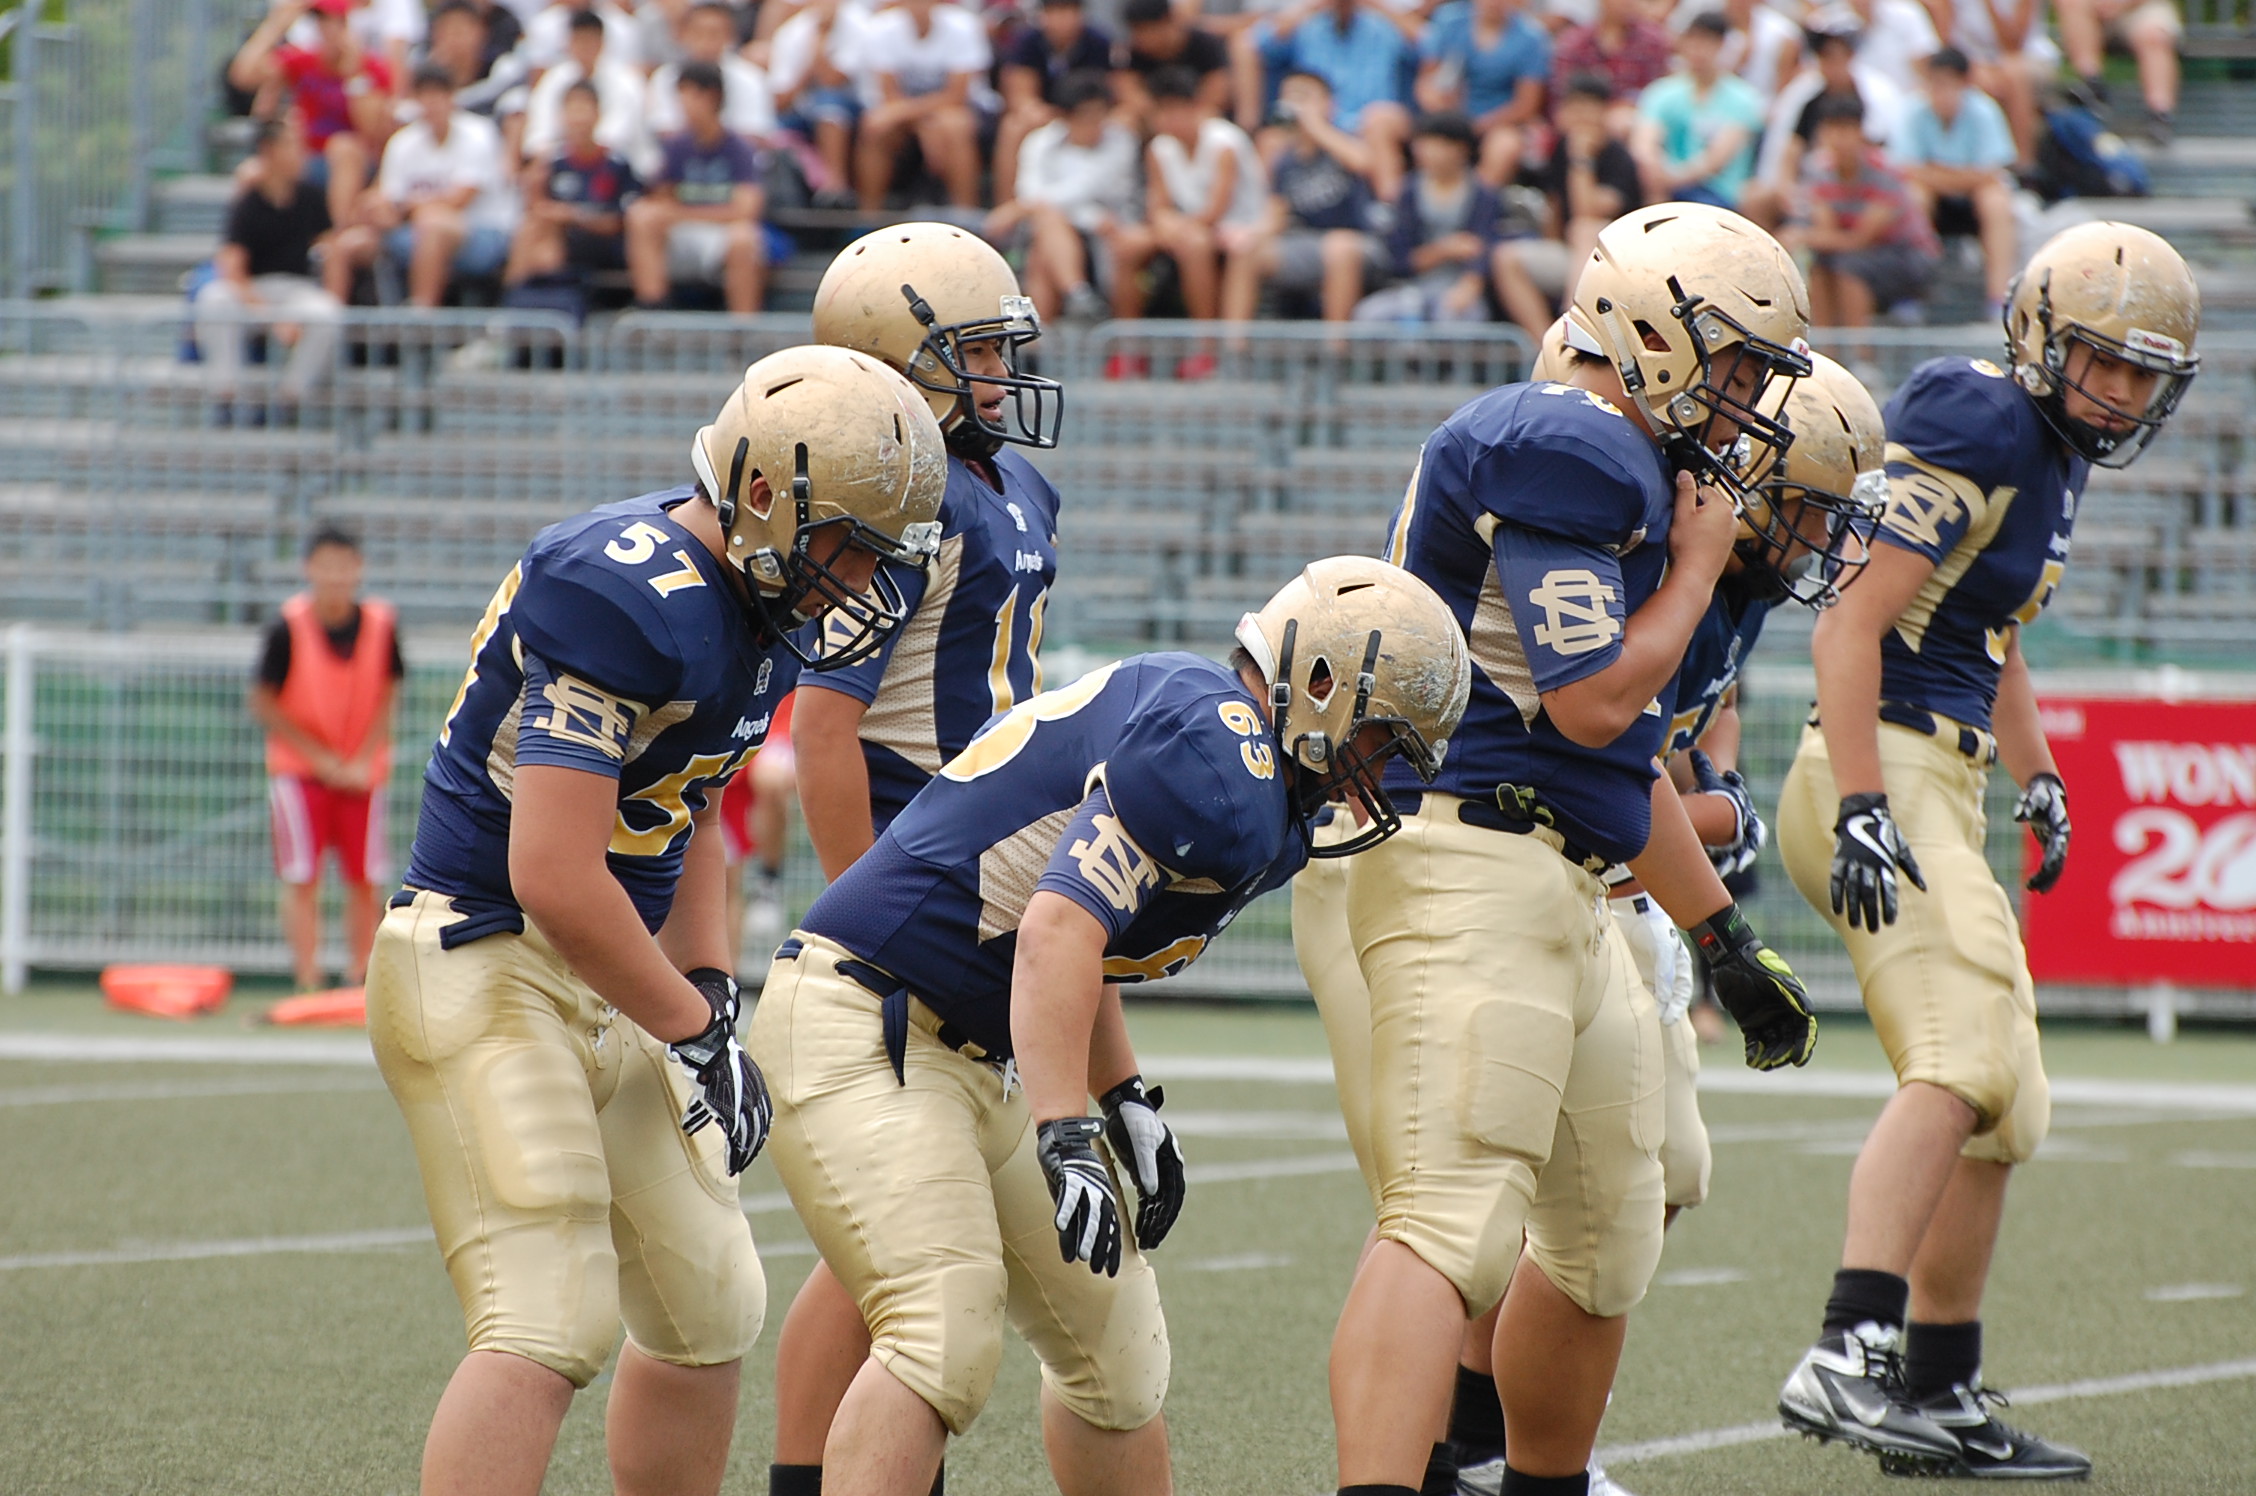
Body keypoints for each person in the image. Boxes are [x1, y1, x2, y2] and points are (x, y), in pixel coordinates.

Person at [749, 555, 1471, 1496]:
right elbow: (1057, 928)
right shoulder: (1220, 752)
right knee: (940, 1332)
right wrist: (1066, 1127)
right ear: (1321, 684)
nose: (1375, 776)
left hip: (965, 1046)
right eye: (1380, 741)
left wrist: (1123, 1092)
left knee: (1117, 1358)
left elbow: (1088, 930)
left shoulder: (1246, 770)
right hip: (868, 1014)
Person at [366, 344, 949, 1496]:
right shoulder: (626, 588)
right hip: (486, 952)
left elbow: (681, 812)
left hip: (614, 970)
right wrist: (691, 1024)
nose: (862, 576)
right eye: (850, 541)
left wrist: (713, 987)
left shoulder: (753, 604)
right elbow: (552, 871)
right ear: (769, 495)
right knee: (547, 1315)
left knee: (708, 1299)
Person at [1323, 202, 1819, 1496]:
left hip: (1557, 877)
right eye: (1737, 363)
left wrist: (1722, 934)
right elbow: (1596, 701)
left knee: (1605, 1233)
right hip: (1459, 855)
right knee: (1448, 1219)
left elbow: (1611, 769)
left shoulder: (1623, 464)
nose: (1751, 397)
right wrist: (1701, 567)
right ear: (1652, 332)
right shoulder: (1575, 444)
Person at [1775, 220, 2201, 1483]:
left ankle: (1943, 1386)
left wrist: (2043, 773)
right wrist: (1862, 799)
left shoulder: (2051, 453)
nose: (2120, 391)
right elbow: (1851, 626)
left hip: (1940, 771)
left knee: (2009, 1104)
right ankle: (1848, 1347)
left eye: (2142, 372)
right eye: (2102, 361)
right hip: (1880, 764)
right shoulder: (1979, 418)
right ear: (2037, 335)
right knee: (1961, 1060)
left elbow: (1992, 634)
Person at [763, 219, 1074, 1496]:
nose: (1003, 374)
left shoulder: (1009, 483)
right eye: (979, 351)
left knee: (873, 1248)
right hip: (913, 862)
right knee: (898, 1254)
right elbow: (825, 731)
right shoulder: (896, 489)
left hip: (977, 868)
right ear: (903, 361)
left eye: (1006, 348)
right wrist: (873, 910)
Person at [252, 525, 401, 994]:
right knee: (302, 877)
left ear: (359, 569)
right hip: (300, 774)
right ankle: (308, 977)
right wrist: (319, 759)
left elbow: (390, 690)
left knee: (366, 877)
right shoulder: (288, 625)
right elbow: (263, 701)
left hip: (362, 774)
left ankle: (360, 976)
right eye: (326, 565)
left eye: (345, 565)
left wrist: (362, 757)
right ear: (309, 569)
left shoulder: (380, 625)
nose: (336, 576)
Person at [195, 120, 345, 424]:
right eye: (291, 145)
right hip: (254, 291)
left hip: (296, 289)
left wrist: (334, 293)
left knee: (327, 313)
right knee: (214, 299)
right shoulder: (247, 203)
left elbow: (332, 251)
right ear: (269, 150)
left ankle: (291, 399)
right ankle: (228, 394)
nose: (299, 154)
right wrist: (269, 316)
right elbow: (233, 267)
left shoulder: (311, 196)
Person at [1220, 70, 1387, 328]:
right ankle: (1233, 353)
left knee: (1339, 247)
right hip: (1306, 244)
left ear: (1329, 103)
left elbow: (1364, 163)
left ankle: (1336, 355)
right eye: (1290, 97)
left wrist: (1315, 124)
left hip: (1360, 243)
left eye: (1304, 96)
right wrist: (1248, 235)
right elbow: (1275, 213)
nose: (1296, 105)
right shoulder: (1285, 159)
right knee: (1246, 252)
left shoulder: (1346, 140)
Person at [1109, 66, 1267, 339]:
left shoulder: (1224, 143)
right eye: (1162, 111)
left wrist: (1175, 227)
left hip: (1237, 226)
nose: (1168, 119)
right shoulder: (1159, 148)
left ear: (1196, 107)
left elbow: (1216, 211)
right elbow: (1158, 205)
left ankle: (1205, 344)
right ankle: (1129, 345)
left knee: (1195, 244)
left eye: (1176, 110)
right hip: (1188, 225)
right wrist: (1165, 224)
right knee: (1128, 245)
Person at [343, 65, 515, 307]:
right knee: (347, 245)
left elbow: (459, 200)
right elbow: (388, 198)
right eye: (425, 95)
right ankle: (338, 326)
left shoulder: (479, 133)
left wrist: (404, 210)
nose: (432, 103)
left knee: (433, 225)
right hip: (413, 228)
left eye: (438, 95)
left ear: (451, 97)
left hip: (481, 231)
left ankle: (421, 316)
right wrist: (376, 210)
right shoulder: (403, 141)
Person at [1490, 72, 1641, 342]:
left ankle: (1575, 323)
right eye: (1575, 106)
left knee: (1585, 228)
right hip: (1571, 258)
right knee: (1507, 258)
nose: (1581, 116)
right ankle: (1548, 347)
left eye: (1589, 107)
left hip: (1615, 262)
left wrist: (1582, 160)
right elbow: (1555, 207)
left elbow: (1589, 211)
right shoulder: (1561, 149)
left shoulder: (1618, 156)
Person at [984, 71, 1142, 322]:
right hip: (1076, 225)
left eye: (1100, 114)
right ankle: (1077, 295)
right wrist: (1089, 217)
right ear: (1065, 117)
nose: (1094, 123)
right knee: (1045, 234)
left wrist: (1018, 209)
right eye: (1085, 116)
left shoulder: (1121, 141)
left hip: (1113, 230)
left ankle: (1043, 338)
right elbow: (1031, 194)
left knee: (1045, 237)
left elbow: (1085, 187)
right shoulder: (1040, 141)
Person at [229, 0, 397, 234]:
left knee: (343, 147)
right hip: (307, 159)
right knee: (250, 173)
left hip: (356, 164)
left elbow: (372, 131)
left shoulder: (372, 68)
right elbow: (243, 76)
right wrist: (277, 25)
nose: (328, 29)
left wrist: (353, 75)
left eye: (336, 22)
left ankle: (336, 236)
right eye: (322, 21)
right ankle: (244, 249)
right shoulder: (304, 61)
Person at [626, 61, 767, 311]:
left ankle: (743, 328)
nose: (682, 103)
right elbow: (662, 197)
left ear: (711, 97)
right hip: (683, 234)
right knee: (641, 215)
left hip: (720, 235)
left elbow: (745, 210)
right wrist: (673, 213)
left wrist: (683, 213)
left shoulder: (738, 148)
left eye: (689, 94)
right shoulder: (677, 146)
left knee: (745, 238)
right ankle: (654, 309)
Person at [1243, 0, 1419, 200]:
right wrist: (1310, 6)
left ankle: (1392, 210)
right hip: (1312, 115)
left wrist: (1379, 6)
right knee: (1271, 139)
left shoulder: (1382, 25)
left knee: (1378, 120)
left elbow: (1430, 44)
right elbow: (1259, 42)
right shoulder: (1308, 25)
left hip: (1366, 123)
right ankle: (1264, 216)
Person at [1894, 46, 2019, 318]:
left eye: (1950, 85)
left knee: (1997, 200)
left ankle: (1998, 298)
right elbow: (1906, 170)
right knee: (1914, 195)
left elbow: (1991, 173)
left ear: (1965, 84)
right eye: (1936, 84)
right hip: (1934, 202)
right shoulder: (1913, 110)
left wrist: (1938, 172)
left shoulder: (1985, 110)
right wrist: (1959, 176)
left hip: (1973, 203)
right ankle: (1911, 292)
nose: (1943, 93)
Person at [1794, 94, 1939, 327]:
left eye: (1846, 129)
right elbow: (1826, 230)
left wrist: (1802, 236)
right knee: (1820, 265)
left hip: (1905, 255)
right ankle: (1826, 351)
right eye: (1832, 129)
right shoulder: (1818, 171)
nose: (1839, 138)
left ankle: (1860, 355)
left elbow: (1860, 239)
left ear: (1860, 131)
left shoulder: (1884, 172)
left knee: (1849, 267)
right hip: (1855, 253)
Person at [1355, 111, 1499, 324]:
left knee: (1457, 318)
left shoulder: (1483, 194)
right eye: (1422, 144)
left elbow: (1483, 250)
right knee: (1369, 315)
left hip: (1458, 286)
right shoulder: (1408, 191)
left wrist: (1469, 286)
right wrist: (1445, 249)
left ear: (1461, 149)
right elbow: (1400, 258)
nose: (1426, 152)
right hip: (1412, 287)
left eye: (1436, 145)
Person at [851, 0, 995, 209]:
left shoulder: (963, 25)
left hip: (961, 110)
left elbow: (957, 95)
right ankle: (867, 218)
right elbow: (889, 94)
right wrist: (924, 127)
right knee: (875, 125)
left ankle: (966, 215)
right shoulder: (881, 28)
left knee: (953, 126)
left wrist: (924, 122)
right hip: (906, 114)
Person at [504, 79, 642, 290]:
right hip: (561, 242)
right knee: (535, 231)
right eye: (572, 110)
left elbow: (618, 221)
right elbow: (539, 210)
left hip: (605, 244)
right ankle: (515, 300)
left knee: (544, 233)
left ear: (598, 115)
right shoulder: (553, 163)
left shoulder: (617, 163)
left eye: (584, 109)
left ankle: (518, 302)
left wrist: (572, 215)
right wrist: (534, 184)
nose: (578, 118)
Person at [1630, 11, 1767, 208]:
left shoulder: (1744, 98)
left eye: (1707, 42)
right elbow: (1643, 142)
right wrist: (1654, 169)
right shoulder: (1661, 92)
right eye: (1693, 40)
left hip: (1718, 194)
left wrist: (1674, 178)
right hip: (1665, 190)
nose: (1698, 50)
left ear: (1721, 45)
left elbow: (1717, 158)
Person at [993, 0, 1116, 213]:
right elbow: (1021, 94)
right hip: (1049, 113)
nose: (1063, 20)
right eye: (1055, 12)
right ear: (1043, 15)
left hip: (1089, 114)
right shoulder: (1028, 41)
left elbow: (1110, 90)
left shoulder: (1099, 42)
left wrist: (1083, 115)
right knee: (1014, 126)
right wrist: (1057, 114)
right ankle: (1007, 206)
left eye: (1069, 11)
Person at [1414, 0, 1553, 188]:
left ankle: (1475, 206)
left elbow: (1526, 105)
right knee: (1433, 141)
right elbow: (1427, 78)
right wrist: (1438, 103)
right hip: (1449, 116)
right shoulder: (1449, 21)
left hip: (1500, 124)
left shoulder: (1531, 38)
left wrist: (1476, 126)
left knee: (1505, 146)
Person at [717, 691, 797, 972]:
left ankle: (768, 882)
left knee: (771, 777)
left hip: (775, 722)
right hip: (724, 729)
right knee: (720, 880)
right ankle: (721, 986)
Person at [519, 8, 651, 175]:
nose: (584, 48)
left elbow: (616, 137)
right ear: (569, 43)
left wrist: (580, 146)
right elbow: (539, 134)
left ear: (602, 43)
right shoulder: (555, 78)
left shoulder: (626, 82)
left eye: (590, 41)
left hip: (621, 168)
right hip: (564, 163)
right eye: (579, 41)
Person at [648, 1, 780, 142]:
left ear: (731, 36)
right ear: (682, 35)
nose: (706, 41)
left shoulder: (751, 78)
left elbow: (757, 135)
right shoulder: (665, 77)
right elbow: (664, 132)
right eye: (698, 33)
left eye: (714, 33)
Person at [2055, 0, 2180, 144]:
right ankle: (2092, 85)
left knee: (2155, 35)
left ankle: (2160, 114)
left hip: (2142, 7)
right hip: (2093, 10)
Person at [1548, 0, 1674, 138]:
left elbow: (1658, 93)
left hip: (1631, 122)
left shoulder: (1653, 43)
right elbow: (1560, 97)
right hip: (1581, 118)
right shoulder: (1574, 42)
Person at [1119, 0, 1235, 124]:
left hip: (1195, 116)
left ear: (1166, 20)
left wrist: (1181, 116)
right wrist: (1160, 116)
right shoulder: (1134, 52)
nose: (1140, 38)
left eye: (1145, 29)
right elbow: (1129, 90)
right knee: (1123, 117)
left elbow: (1218, 92)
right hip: (1155, 118)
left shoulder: (1205, 44)